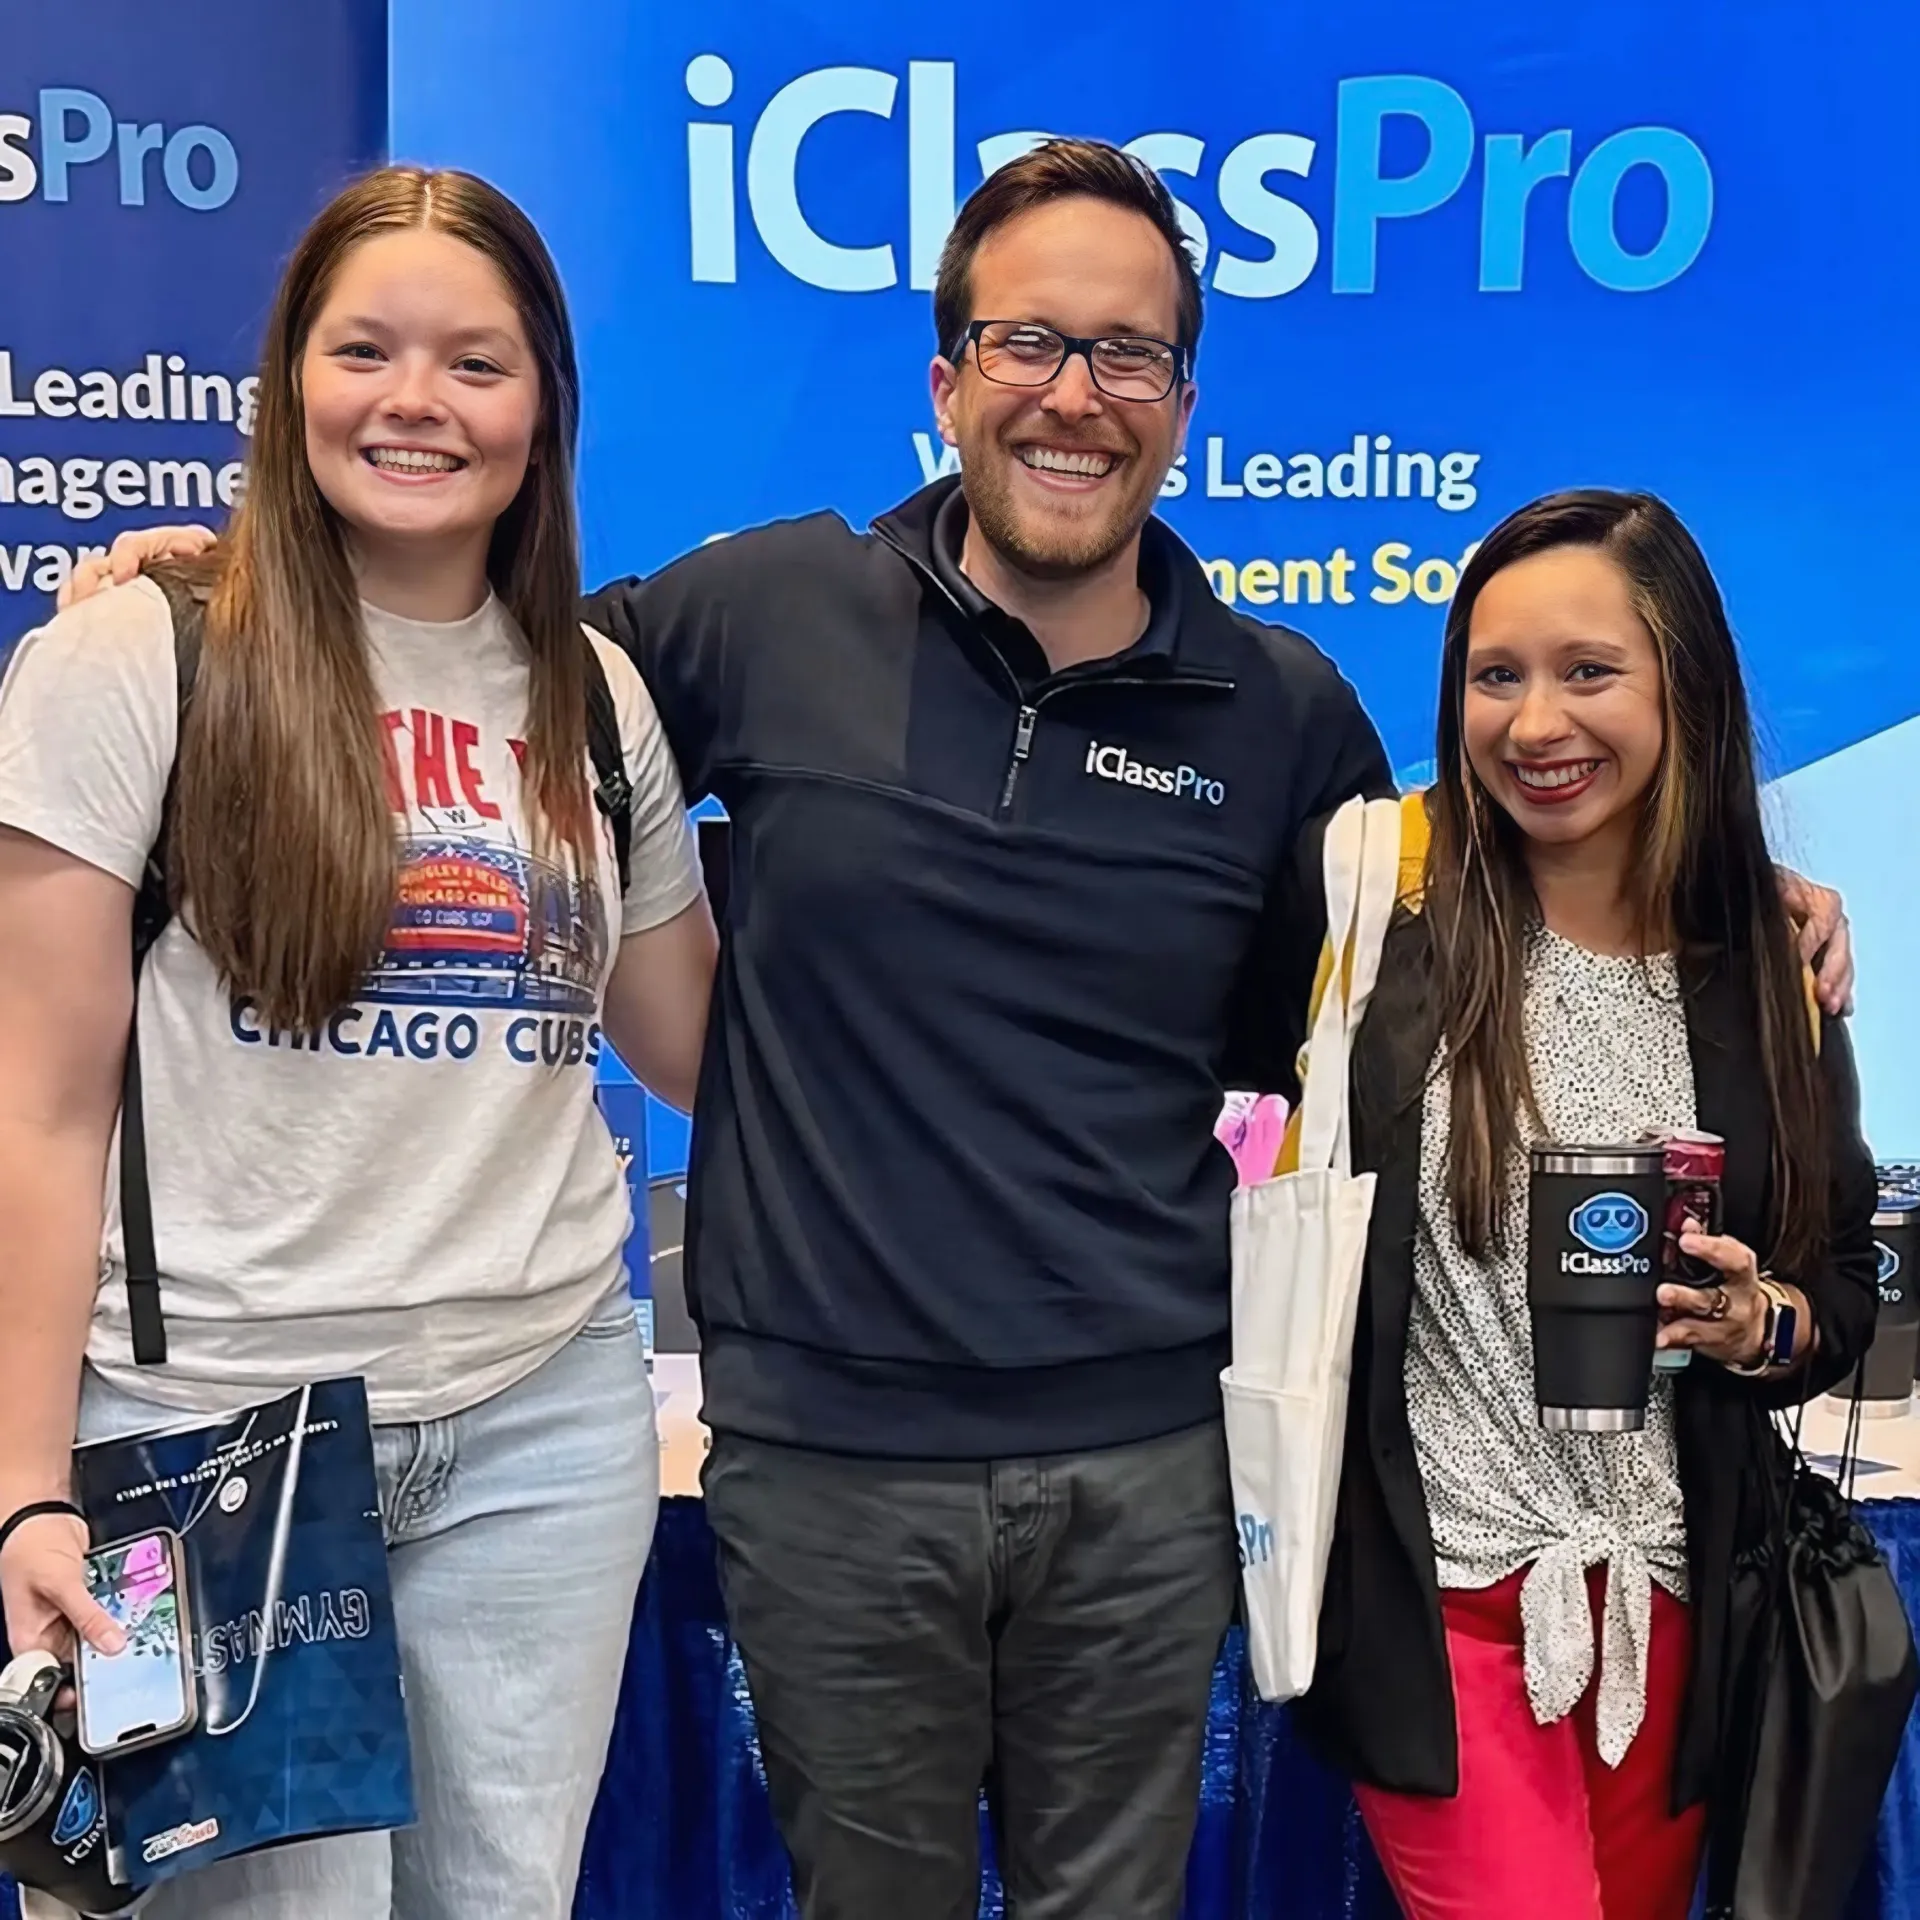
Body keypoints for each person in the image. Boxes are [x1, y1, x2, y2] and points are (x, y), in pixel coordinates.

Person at [65, 144, 1855, 1919]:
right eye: (1027, 344)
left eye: (1128, 354)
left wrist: (1729, 900)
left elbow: (1445, 929)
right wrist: (226, 587)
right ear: (947, 380)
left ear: (1181, 403)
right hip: (826, 1463)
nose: (1076, 396)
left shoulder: (1284, 714)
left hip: (1151, 1468)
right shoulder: (756, 614)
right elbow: (456, 650)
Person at [0, 166, 716, 1920]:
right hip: (205, 1443)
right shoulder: (135, 659)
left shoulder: (593, 695)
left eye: (477, 363)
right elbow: (37, 1102)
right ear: (288, 378)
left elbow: (695, 1037)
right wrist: (22, 1491)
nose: (417, 401)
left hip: (542, 1423)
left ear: (543, 403)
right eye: (366, 349)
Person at [1296, 490, 1879, 1919]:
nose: (1537, 722)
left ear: (1683, 684)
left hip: (1684, 1608)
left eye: (1589, 672)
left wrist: (1764, 1322)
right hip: (1439, 1610)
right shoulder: (1385, 905)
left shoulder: (1767, 973)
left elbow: (1838, 1293)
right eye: (1498, 676)